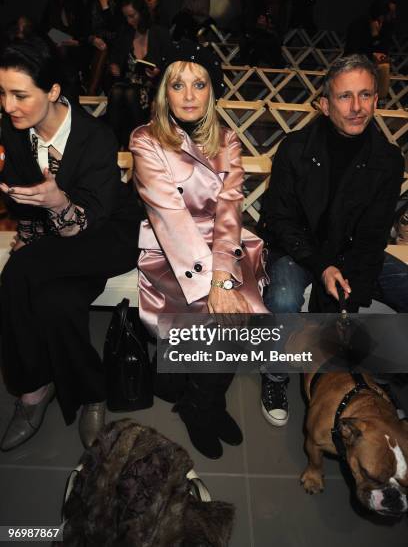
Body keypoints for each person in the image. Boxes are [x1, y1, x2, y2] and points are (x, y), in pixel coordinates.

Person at [0, 38, 142, 451]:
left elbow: (77, 227)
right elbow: (23, 202)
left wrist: (57, 200)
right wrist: (28, 229)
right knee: (56, 302)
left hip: (107, 235)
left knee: (16, 276)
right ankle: (87, 394)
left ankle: (30, 390)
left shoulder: (94, 136)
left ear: (53, 92)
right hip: (54, 243)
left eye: (20, 95)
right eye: (3, 93)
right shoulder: (12, 131)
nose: (8, 105)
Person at [129, 41, 268, 459]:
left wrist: (224, 277)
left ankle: (201, 400)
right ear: (163, 93)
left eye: (199, 84)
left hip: (223, 247)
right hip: (171, 253)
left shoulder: (227, 140)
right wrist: (211, 283)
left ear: (212, 91)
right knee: (218, 316)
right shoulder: (146, 139)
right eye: (177, 85)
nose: (189, 95)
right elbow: (170, 217)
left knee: (240, 316)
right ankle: (201, 404)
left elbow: (230, 211)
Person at [258, 54, 405, 426]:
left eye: (366, 95)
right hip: (299, 247)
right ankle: (276, 375)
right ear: (324, 104)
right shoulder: (295, 147)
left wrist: (349, 297)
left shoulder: (387, 159)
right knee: (283, 297)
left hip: (352, 248)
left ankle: (384, 378)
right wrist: (322, 265)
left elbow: (373, 237)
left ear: (376, 99)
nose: (357, 108)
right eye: (344, 97)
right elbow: (277, 220)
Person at [107, 0, 170, 147]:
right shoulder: (125, 33)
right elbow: (114, 59)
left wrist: (158, 71)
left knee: (129, 93)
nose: (129, 21)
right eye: (126, 17)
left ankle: (138, 143)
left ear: (142, 12)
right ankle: (114, 146)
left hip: (151, 88)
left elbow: (171, 65)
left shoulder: (159, 33)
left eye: (132, 16)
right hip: (127, 85)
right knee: (118, 91)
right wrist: (114, 66)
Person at [85, 0, 121, 94]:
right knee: (100, 49)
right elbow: (84, 30)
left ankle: (91, 92)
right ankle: (91, 91)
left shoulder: (118, 6)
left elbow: (115, 28)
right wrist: (93, 39)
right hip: (93, 46)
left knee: (103, 49)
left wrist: (105, 6)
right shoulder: (91, 6)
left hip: (113, 45)